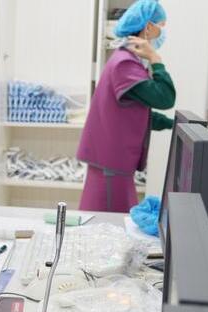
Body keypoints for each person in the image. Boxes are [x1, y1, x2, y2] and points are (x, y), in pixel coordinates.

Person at [77, 0, 175, 213]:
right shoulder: (125, 64)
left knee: (114, 222)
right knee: (108, 225)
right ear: (148, 27)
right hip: (111, 165)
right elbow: (165, 98)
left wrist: (172, 124)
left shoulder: (127, 61)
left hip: (113, 164)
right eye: (161, 26)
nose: (162, 33)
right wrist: (155, 58)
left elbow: (135, 113)